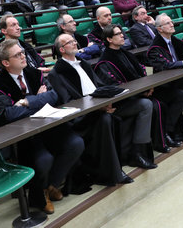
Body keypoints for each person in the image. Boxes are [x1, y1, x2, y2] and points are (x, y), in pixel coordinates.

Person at [0, 39, 84, 214]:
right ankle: (38, 195)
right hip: (19, 136)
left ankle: (50, 185)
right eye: (18, 55)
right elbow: (8, 115)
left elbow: (54, 96)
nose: (24, 56)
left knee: (75, 143)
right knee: (44, 159)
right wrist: (38, 100)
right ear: (6, 63)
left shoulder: (33, 73)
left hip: (46, 124)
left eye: (22, 52)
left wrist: (26, 102)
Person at [48, 34, 135, 184]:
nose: (75, 43)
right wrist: (98, 108)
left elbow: (99, 86)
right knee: (106, 119)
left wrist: (109, 100)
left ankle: (128, 158)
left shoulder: (83, 63)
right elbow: (68, 102)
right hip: (81, 119)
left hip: (98, 108)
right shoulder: (57, 73)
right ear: (61, 49)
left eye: (74, 40)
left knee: (132, 107)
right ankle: (113, 172)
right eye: (70, 42)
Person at [95, 24, 183, 153]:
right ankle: (142, 150)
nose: (122, 35)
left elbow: (142, 71)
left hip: (140, 93)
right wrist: (141, 92)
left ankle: (165, 136)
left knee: (174, 96)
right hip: (124, 101)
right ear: (109, 39)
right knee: (154, 105)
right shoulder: (105, 62)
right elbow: (114, 86)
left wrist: (149, 87)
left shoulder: (125, 53)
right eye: (118, 34)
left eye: (122, 33)